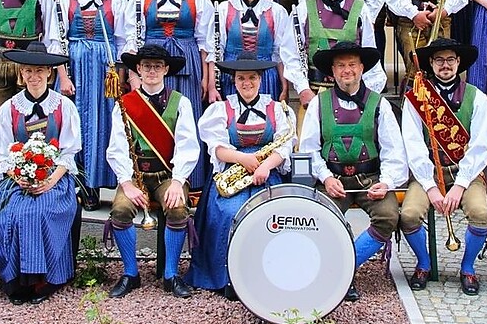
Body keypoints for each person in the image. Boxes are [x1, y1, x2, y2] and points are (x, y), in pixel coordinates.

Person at [297, 40, 408, 302]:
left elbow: (394, 151)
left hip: (370, 179)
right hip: (333, 179)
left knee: (388, 216)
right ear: (333, 71)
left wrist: (386, 182)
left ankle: (343, 268)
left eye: (352, 65)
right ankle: (324, 270)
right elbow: (309, 148)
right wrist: (325, 177)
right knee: (321, 219)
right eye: (340, 66)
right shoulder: (318, 103)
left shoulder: (379, 104)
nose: (347, 70)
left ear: (361, 68)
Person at [185, 59, 294, 295]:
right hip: (232, 171)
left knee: (268, 214)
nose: (247, 83)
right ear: (233, 82)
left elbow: (284, 146)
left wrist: (265, 167)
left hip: (267, 173)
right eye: (241, 78)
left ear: (260, 80)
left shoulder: (277, 108)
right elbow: (217, 149)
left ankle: (266, 276)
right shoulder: (220, 109)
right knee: (229, 213)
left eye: (252, 77)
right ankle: (228, 278)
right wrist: (244, 159)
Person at [398, 40, 487, 295]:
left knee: (481, 214)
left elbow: (481, 146)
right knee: (409, 214)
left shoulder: (477, 98)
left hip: (467, 173)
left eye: (450, 59)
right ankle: (424, 263)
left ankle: (467, 267)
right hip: (427, 173)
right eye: (439, 60)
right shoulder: (417, 99)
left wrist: (460, 185)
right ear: (431, 64)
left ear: (458, 62)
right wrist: (430, 187)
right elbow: (412, 144)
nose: (445, 65)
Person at [0, 42, 82, 304]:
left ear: (49, 73)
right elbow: (2, 154)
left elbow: (69, 152)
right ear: (21, 73)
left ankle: (46, 278)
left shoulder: (64, 106)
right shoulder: (9, 108)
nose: (34, 76)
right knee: (12, 212)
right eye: (28, 71)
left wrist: (49, 181)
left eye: (39, 71)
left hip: (55, 178)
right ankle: (17, 281)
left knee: (41, 210)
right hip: (16, 178)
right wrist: (19, 176)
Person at [106, 44, 202, 299]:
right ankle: (130, 273)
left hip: (167, 177)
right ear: (138, 69)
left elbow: (188, 146)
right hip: (135, 178)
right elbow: (116, 148)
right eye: (147, 66)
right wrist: (126, 183)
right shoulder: (124, 104)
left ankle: (171, 275)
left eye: (157, 66)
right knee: (120, 210)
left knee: (178, 209)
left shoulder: (181, 103)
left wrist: (178, 181)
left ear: (166, 70)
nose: (151, 71)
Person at [122, 0, 217, 187]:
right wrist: (134, 77)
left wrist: (207, 80)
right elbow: (132, 41)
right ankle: (152, 181)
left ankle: (189, 184)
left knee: (187, 121)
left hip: (188, 64)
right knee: (153, 120)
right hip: (151, 66)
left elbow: (205, 42)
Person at [58, 0, 129, 206]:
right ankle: (76, 183)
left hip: (104, 71)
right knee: (74, 122)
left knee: (102, 123)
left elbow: (122, 42)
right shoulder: (65, 0)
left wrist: (120, 76)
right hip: (75, 67)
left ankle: (96, 183)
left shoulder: (116, 0)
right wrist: (63, 77)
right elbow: (57, 41)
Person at [288, 0, 386, 115]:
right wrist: (303, 89)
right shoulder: (303, 9)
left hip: (352, 94)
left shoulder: (361, 9)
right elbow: (290, 54)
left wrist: (364, 95)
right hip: (313, 94)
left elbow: (369, 52)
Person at [215, 0, 297, 100]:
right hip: (233, 77)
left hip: (266, 77)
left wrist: (284, 86)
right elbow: (217, 49)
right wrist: (213, 85)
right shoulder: (224, 9)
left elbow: (279, 52)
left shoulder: (277, 11)